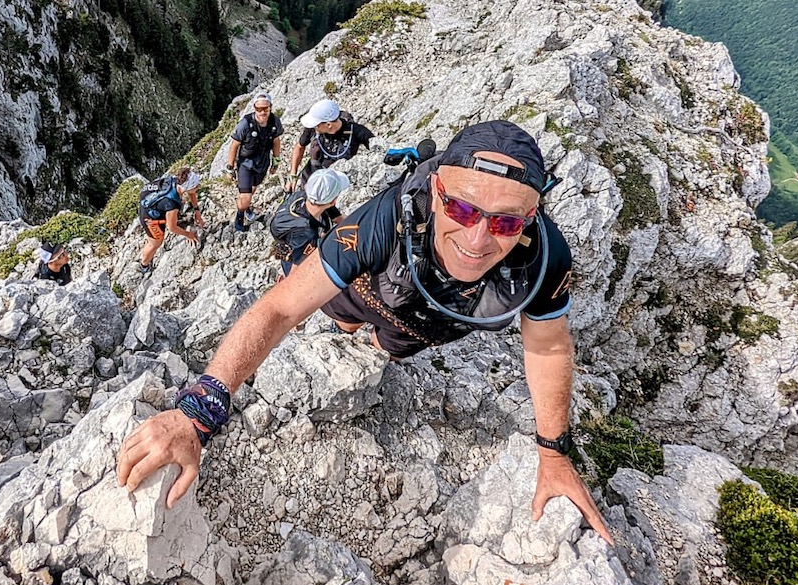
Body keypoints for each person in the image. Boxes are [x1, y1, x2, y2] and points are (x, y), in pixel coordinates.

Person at [117, 120, 613, 545]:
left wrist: (554, 453)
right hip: (366, 292)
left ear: (531, 217)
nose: (478, 239)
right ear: (437, 192)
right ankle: (351, 329)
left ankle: (373, 343)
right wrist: (197, 412)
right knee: (344, 317)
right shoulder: (383, 222)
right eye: (462, 210)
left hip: (427, 329)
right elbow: (282, 308)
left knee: (386, 348)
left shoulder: (546, 259)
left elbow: (548, 344)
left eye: (505, 223)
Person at [269, 168, 350, 278]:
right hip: (295, 258)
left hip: (297, 241)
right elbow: (295, 273)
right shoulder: (306, 234)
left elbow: (338, 218)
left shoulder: (304, 196)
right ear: (333, 201)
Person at [285, 99, 375, 193]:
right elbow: (300, 146)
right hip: (310, 176)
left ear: (328, 125)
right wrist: (292, 174)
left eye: (316, 125)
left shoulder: (357, 132)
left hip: (335, 182)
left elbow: (377, 148)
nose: (314, 127)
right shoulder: (313, 128)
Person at [225, 92, 284, 232]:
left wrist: (276, 161)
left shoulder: (275, 122)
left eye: (266, 108)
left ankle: (246, 207)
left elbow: (276, 141)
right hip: (246, 164)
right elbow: (234, 145)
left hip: (262, 163)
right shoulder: (245, 123)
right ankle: (239, 217)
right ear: (254, 108)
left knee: (253, 189)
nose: (262, 112)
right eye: (259, 109)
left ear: (270, 107)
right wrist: (230, 167)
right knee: (245, 197)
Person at [138, 166, 204, 274]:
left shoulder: (176, 180)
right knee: (155, 243)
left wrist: (197, 210)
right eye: (196, 186)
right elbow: (172, 228)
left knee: (173, 216)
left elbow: (191, 192)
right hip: (149, 216)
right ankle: (143, 265)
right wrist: (188, 234)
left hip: (150, 199)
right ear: (187, 187)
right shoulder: (172, 204)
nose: (199, 187)